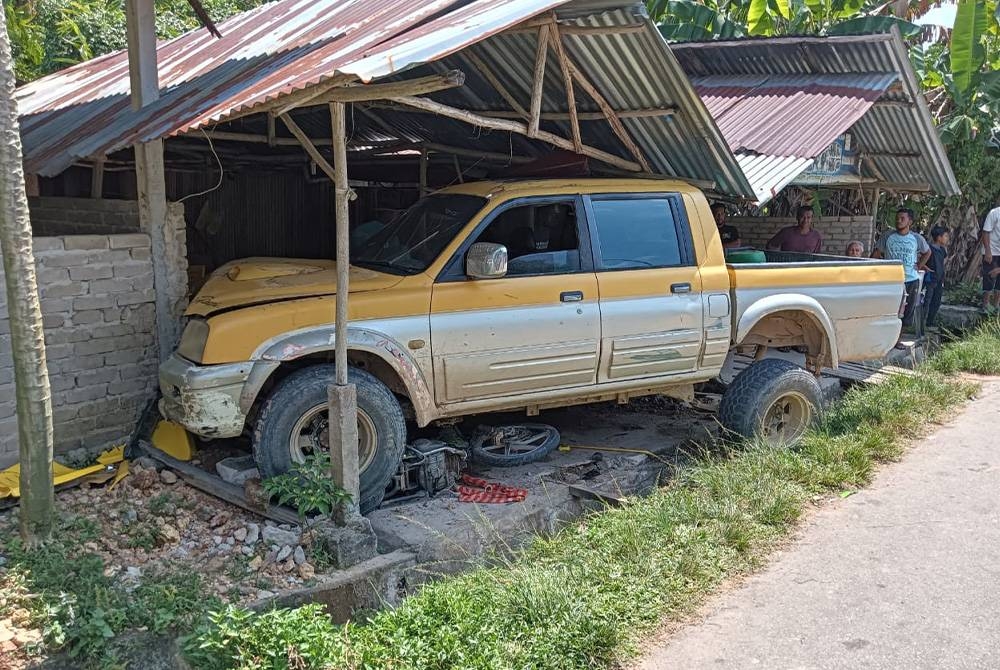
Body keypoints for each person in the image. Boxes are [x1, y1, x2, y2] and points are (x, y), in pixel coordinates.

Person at [873, 208, 931, 331]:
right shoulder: (887, 236)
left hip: (911, 279)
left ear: (910, 222)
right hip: (892, 280)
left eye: (902, 219)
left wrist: (919, 265)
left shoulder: (917, 238)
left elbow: (927, 252)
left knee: (907, 311)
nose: (899, 221)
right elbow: (876, 254)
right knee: (891, 309)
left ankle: (900, 336)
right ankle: (892, 337)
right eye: (897, 218)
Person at [922, 226, 949, 330]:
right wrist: (925, 267)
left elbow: (942, 263)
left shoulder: (942, 250)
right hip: (930, 279)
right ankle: (922, 323)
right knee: (927, 301)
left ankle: (930, 322)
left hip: (939, 279)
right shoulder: (929, 249)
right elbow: (920, 259)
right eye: (945, 236)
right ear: (939, 237)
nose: (947, 238)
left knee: (936, 301)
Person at [980, 204, 1000, 313]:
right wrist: (988, 251)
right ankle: (985, 305)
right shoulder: (994, 213)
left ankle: (997, 305)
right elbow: (985, 232)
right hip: (992, 250)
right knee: (989, 277)